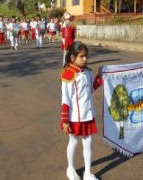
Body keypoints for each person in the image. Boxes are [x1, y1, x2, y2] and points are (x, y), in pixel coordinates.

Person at [61, 41, 103, 180]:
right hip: (74, 117)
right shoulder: (68, 74)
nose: (85, 59)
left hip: (88, 114)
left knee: (88, 142)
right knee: (73, 141)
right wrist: (65, 120)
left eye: (86, 56)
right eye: (82, 56)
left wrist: (99, 76)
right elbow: (65, 99)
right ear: (72, 58)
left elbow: (91, 89)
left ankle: (87, 172)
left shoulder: (88, 72)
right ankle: (70, 168)